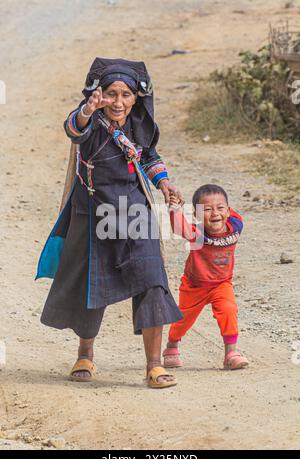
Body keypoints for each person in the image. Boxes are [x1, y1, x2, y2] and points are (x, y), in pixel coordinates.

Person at [35, 58, 184, 388]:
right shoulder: (90, 122)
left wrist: (164, 183)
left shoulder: (138, 125)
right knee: (93, 283)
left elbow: (149, 157)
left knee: (152, 279)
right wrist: (88, 110)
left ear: (136, 98)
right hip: (92, 212)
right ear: (99, 95)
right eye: (111, 94)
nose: (118, 102)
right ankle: (85, 354)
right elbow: (73, 129)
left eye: (126, 95)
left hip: (134, 213)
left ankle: (154, 366)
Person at [163, 184, 249, 370]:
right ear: (196, 215)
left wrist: (222, 206)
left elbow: (226, 209)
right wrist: (175, 209)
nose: (215, 213)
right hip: (195, 285)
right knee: (183, 318)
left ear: (228, 210)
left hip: (221, 283)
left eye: (220, 208)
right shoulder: (197, 233)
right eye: (207, 209)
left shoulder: (235, 224)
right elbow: (179, 229)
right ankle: (172, 345)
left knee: (228, 309)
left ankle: (230, 353)